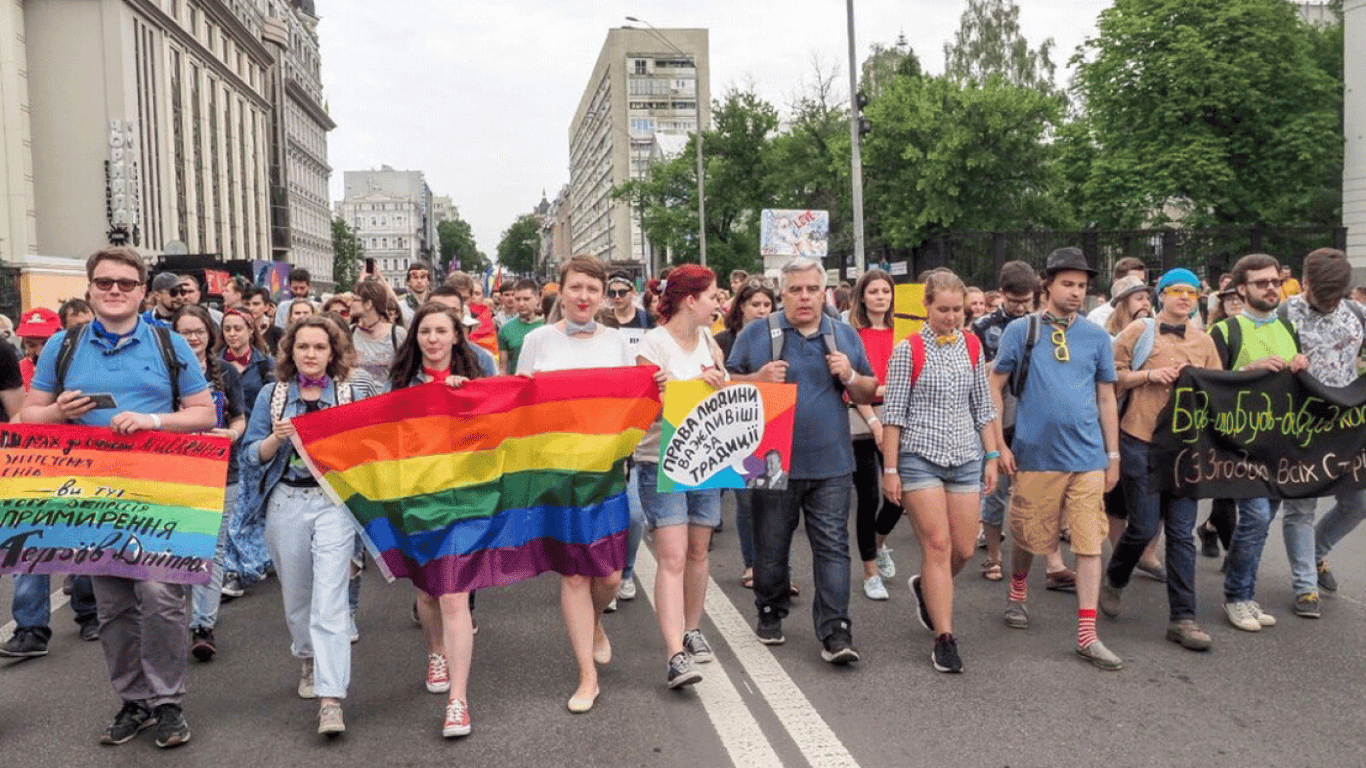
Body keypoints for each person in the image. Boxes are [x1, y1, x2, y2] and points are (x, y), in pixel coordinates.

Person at [22, 246, 215, 748]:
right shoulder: (65, 346)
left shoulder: (168, 342)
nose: (114, 290)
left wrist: (154, 420)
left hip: (158, 488)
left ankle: (168, 701)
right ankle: (134, 701)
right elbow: (28, 417)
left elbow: (204, 413)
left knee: (161, 597)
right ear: (89, 287)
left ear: (141, 291)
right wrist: (59, 412)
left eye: (125, 284)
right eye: (105, 282)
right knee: (113, 606)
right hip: (91, 493)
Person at [725, 257, 878, 664]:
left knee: (832, 546)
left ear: (824, 292)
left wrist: (849, 376)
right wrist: (755, 379)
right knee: (771, 547)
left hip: (831, 462)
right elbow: (722, 386)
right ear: (782, 293)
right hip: (771, 460)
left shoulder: (843, 335)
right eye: (796, 289)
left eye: (812, 289)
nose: (805, 297)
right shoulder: (757, 334)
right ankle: (771, 608)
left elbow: (868, 391)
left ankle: (836, 630)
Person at [988, 247, 1124, 671]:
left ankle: (1087, 633)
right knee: (1030, 535)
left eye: (1082, 286)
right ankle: (1018, 591)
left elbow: (1106, 397)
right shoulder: (1021, 331)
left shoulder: (1097, 337)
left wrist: (1112, 454)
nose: (1075, 293)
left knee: (1088, 542)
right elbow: (994, 387)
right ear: (1047, 285)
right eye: (1067, 284)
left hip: (1087, 457)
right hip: (1035, 454)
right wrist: (999, 446)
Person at [242, 316, 374, 735]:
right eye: (303, 347)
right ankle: (308, 658)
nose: (312, 354)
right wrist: (275, 439)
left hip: (334, 503)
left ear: (333, 352)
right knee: (296, 597)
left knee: (330, 599)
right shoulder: (273, 395)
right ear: (291, 352)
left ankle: (331, 698)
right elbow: (250, 456)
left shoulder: (353, 392)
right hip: (286, 502)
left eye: (320, 347)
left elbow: (380, 440)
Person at [517, 255, 633, 712]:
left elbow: (635, 405)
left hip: (605, 473)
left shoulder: (620, 342)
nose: (584, 296)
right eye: (576, 287)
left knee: (608, 575)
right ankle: (587, 676)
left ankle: (597, 620)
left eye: (592, 289)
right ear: (560, 291)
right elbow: (519, 405)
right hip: (557, 473)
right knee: (573, 575)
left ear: (603, 296)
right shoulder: (536, 340)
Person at [881, 270, 998, 673]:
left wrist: (992, 457)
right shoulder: (907, 349)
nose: (951, 317)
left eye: (957, 311)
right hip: (919, 458)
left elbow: (983, 407)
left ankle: (926, 588)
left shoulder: (971, 345)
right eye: (943, 310)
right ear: (926, 307)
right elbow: (893, 415)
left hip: (965, 457)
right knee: (937, 545)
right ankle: (944, 637)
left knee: (965, 548)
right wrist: (891, 469)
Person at [1099, 268, 1219, 652]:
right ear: (1161, 295)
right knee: (1143, 525)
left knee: (1182, 533)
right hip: (1140, 439)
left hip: (1186, 446)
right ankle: (1115, 578)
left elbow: (1220, 389)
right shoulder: (1138, 332)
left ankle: (1183, 619)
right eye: (1176, 291)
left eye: (1192, 293)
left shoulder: (1204, 340)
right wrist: (1151, 375)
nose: (1185, 298)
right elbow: (1112, 379)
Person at [389, 303, 493, 737]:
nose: (432, 339)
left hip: (468, 496)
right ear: (416, 338)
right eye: (425, 331)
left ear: (456, 336)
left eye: (441, 331)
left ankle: (459, 701)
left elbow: (498, 429)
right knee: (428, 593)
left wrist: (466, 399)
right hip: (419, 497)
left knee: (454, 596)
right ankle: (435, 650)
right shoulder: (399, 383)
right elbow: (386, 434)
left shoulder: (476, 375)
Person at [631, 265, 727, 688]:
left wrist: (718, 384)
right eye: (713, 297)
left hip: (707, 456)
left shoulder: (710, 340)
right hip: (663, 458)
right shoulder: (653, 344)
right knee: (671, 555)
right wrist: (686, 387)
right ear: (691, 300)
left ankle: (692, 628)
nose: (720, 304)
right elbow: (647, 405)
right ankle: (674, 654)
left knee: (698, 551)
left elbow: (723, 391)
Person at [1208, 253, 1307, 632]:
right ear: (1241, 289)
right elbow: (1210, 385)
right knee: (1255, 517)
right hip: (1240, 445)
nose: (1271, 288)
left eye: (1274, 281)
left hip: (1279, 445)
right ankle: (1235, 596)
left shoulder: (1287, 327)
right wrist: (1247, 370)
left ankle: (1247, 594)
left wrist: (1301, 365)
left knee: (1262, 523)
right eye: (1261, 283)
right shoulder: (1225, 331)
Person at [973, 261, 1075, 587]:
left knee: (1041, 491)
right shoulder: (982, 326)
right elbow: (975, 375)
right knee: (996, 491)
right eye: (1015, 301)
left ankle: (1053, 564)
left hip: (1033, 416)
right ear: (1001, 293)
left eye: (1026, 301)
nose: (1020, 308)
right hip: (996, 417)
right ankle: (993, 555)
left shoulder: (1043, 325)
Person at [1277, 248, 1364, 618]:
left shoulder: (1358, 313)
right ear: (1305, 282)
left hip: (1348, 425)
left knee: (1358, 503)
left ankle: (1314, 555)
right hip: (1302, 423)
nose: (1330, 304)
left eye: (1337, 297)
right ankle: (1305, 586)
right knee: (1301, 506)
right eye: (1323, 297)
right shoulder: (1284, 315)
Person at [173, 306, 247, 662]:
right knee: (180, 548)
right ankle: (172, 621)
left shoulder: (227, 373)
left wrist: (231, 434)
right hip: (176, 472)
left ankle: (203, 624)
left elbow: (240, 418)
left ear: (209, 334)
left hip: (222, 471)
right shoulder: (164, 374)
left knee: (212, 549)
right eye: (185, 332)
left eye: (198, 331)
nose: (192, 338)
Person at [713, 280, 777, 586]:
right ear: (741, 307)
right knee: (747, 498)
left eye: (767, 305)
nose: (762, 311)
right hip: (737, 427)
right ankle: (751, 563)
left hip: (774, 423)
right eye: (756, 305)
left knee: (774, 500)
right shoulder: (724, 340)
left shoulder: (778, 337)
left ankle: (777, 568)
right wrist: (757, 378)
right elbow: (721, 382)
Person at [846, 270, 905, 601]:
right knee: (868, 497)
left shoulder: (903, 332)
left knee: (900, 495)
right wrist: (874, 422)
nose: (881, 296)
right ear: (863, 296)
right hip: (860, 417)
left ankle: (879, 543)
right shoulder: (853, 334)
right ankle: (870, 572)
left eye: (886, 291)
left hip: (897, 416)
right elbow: (852, 387)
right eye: (874, 291)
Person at [218, 307, 274, 598]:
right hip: (227, 444)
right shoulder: (216, 366)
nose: (232, 334)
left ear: (251, 331)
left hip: (257, 444)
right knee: (234, 511)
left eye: (238, 328)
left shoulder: (266, 365)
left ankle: (254, 560)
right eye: (227, 328)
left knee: (252, 507)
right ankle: (235, 569)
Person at [349, 279, 406, 391]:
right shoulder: (349, 332)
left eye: (355, 299)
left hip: (388, 402)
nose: (350, 303)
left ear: (368, 304)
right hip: (358, 403)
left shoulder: (397, 334)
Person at [496, 278, 544, 374]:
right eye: (517, 299)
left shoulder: (549, 325)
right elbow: (503, 368)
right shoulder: (505, 330)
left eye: (526, 299)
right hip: (518, 384)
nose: (521, 304)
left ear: (537, 298)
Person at [1087, 257, 1147, 329]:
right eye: (1133, 280)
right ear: (1117, 283)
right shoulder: (1097, 317)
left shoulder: (1146, 315)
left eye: (1142, 281)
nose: (1139, 285)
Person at [15, 307, 61, 392]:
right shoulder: (18, 370)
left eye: (46, 344)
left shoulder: (71, 368)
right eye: (31, 345)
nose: (39, 352)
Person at [246, 287, 284, 354]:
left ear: (266, 307)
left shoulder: (277, 333)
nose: (251, 308)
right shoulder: (239, 330)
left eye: (256, 304)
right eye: (247, 304)